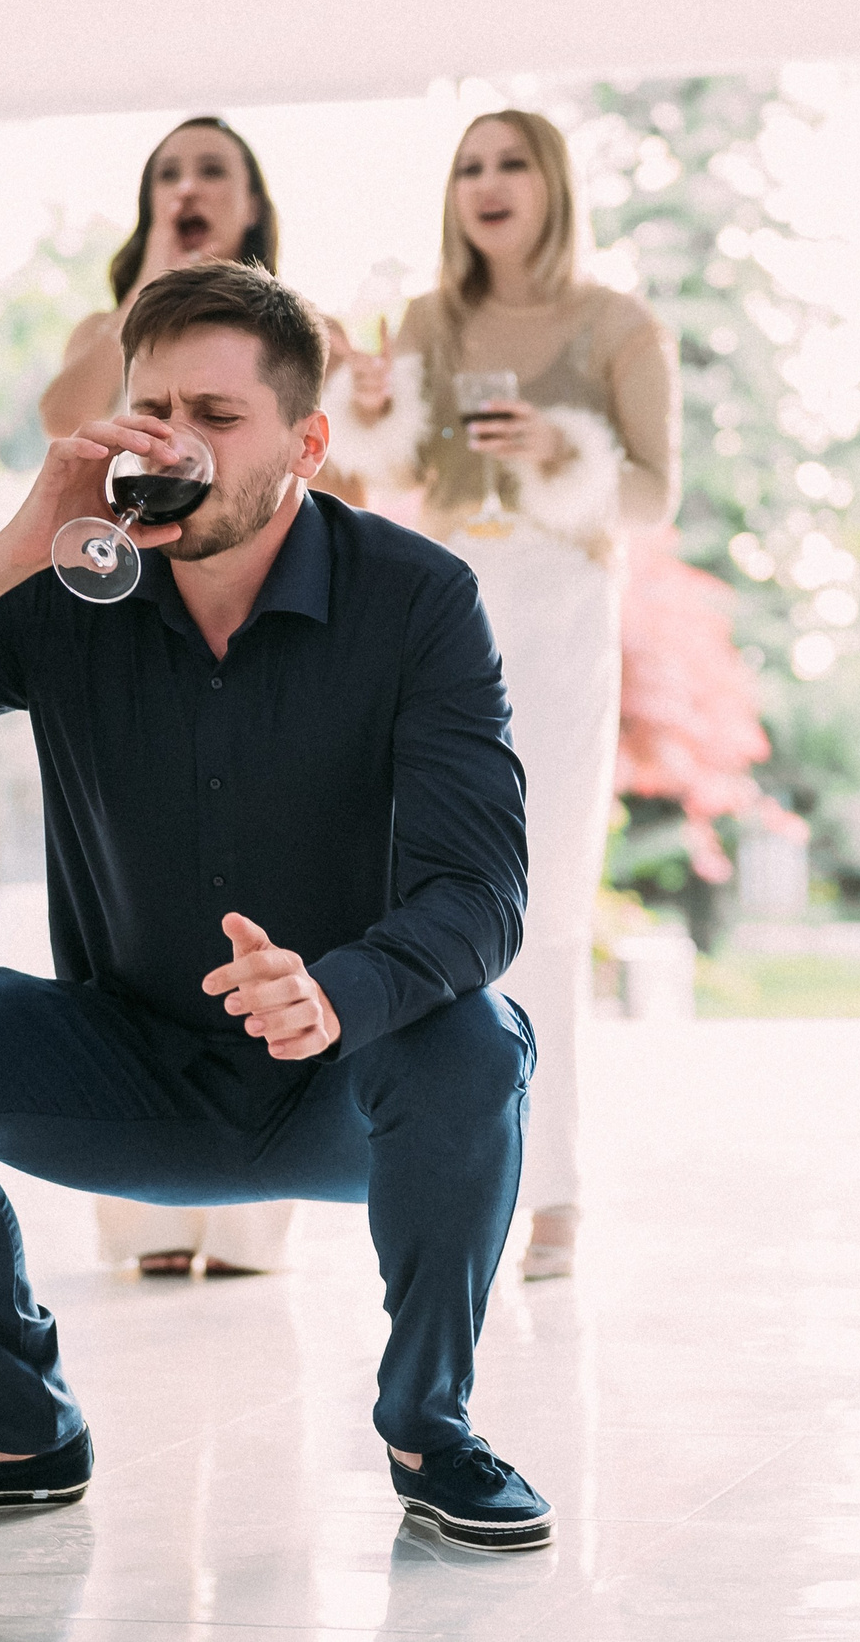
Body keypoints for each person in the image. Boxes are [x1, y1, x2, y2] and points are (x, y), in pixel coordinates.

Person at [0, 261, 555, 1552]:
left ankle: (429, 1428)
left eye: (219, 416)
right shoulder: (68, 588)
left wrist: (338, 989)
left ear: (308, 440)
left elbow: (483, 890)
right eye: (153, 404)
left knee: (479, 1038)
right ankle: (13, 1426)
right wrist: (15, 544)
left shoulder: (417, 598)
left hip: (350, 1078)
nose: (175, 439)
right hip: (129, 1063)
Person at [326, 110, 679, 1282]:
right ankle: (444, 1169)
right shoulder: (426, 321)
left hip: (560, 618)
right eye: (469, 165)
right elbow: (380, 475)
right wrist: (370, 405)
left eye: (510, 162)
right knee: (424, 890)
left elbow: (650, 496)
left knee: (548, 904)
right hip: (440, 605)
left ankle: (557, 1192)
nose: (486, 184)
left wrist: (550, 447)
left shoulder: (619, 324)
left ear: (553, 182)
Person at [39, 115, 305, 1278]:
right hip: (130, 632)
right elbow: (59, 422)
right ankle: (142, 1203)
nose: (189, 187)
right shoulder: (112, 334)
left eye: (213, 172)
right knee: (133, 894)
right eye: (169, 175)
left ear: (251, 204)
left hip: (263, 642)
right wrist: (147, 311)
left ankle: (253, 1210)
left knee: (269, 883)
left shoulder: (300, 337)